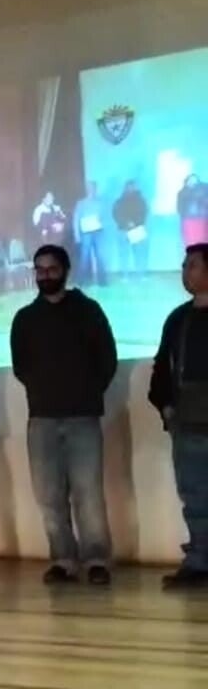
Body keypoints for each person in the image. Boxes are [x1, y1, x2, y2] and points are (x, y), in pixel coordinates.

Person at [10, 244, 116, 585]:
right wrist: (43, 391)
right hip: (41, 418)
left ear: (65, 271)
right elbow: (21, 366)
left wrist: (87, 392)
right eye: (39, 269)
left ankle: (96, 559)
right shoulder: (25, 318)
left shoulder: (88, 311)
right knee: (49, 496)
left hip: (83, 417)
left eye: (51, 269)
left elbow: (107, 359)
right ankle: (63, 560)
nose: (45, 275)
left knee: (88, 493)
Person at [149, 243, 208, 588]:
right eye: (185, 266)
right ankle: (199, 562)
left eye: (192, 266)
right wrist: (166, 406)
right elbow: (162, 367)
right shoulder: (178, 319)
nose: (185, 272)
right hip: (188, 424)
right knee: (195, 499)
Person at [73, 181, 107, 284]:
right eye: (89, 188)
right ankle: (82, 280)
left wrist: (102, 223)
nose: (91, 190)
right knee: (85, 256)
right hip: (86, 233)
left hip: (98, 232)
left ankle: (102, 280)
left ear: (95, 189)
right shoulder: (81, 203)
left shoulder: (100, 203)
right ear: (87, 190)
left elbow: (105, 217)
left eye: (93, 188)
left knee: (100, 256)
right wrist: (77, 234)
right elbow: (76, 219)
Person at [112, 181, 149, 272]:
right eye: (129, 187)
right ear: (125, 188)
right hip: (123, 229)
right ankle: (125, 274)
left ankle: (140, 274)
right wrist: (125, 223)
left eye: (133, 187)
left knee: (138, 253)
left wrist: (136, 223)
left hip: (137, 229)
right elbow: (116, 214)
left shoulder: (141, 201)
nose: (130, 189)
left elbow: (144, 213)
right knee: (124, 254)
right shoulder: (120, 201)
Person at [176, 173, 208, 248]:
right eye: (190, 181)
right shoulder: (183, 192)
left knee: (201, 238)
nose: (192, 183)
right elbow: (180, 207)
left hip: (201, 219)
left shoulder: (204, 190)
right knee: (191, 239)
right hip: (189, 219)